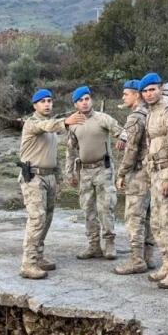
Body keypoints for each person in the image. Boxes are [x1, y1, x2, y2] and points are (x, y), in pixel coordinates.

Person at [19, 89, 86, 279]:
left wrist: (58, 177)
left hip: (48, 177)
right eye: (43, 102)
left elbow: (53, 155)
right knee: (37, 218)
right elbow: (46, 125)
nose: (47, 104)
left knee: (46, 219)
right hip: (33, 177)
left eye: (49, 101)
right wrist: (65, 121)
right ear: (35, 106)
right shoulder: (32, 123)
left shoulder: (52, 130)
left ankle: (38, 256)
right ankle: (28, 263)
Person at [65, 86, 127, 260]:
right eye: (80, 100)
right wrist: (69, 173)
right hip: (84, 171)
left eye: (87, 99)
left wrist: (122, 138)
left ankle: (109, 244)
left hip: (103, 170)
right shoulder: (73, 124)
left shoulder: (102, 118)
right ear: (76, 104)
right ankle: (93, 245)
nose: (84, 103)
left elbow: (122, 131)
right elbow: (70, 150)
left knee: (105, 207)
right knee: (88, 209)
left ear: (91, 100)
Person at [139, 73, 168, 289]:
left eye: (152, 89)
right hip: (155, 172)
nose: (149, 94)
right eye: (145, 91)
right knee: (157, 222)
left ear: (160, 89)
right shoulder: (150, 112)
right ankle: (167, 263)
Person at [114, 80, 157, 275]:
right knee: (147, 215)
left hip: (138, 172)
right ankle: (148, 257)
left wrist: (121, 173)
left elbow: (131, 150)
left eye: (126, 94)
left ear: (136, 95)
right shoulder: (151, 113)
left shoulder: (135, 118)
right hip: (151, 172)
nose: (123, 98)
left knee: (134, 217)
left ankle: (137, 259)